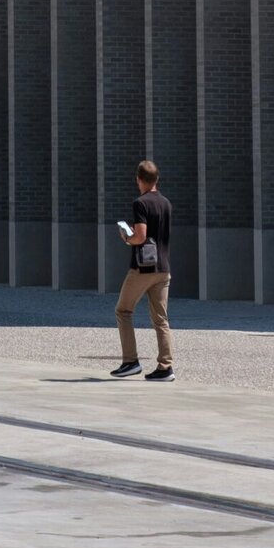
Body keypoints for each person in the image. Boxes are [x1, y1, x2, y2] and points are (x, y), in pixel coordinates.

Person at [111, 159, 174, 381]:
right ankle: (165, 367)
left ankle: (130, 361)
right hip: (163, 268)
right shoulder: (166, 203)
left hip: (143, 268)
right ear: (157, 179)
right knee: (161, 319)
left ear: (139, 180)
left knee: (123, 311)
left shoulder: (140, 203)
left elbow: (141, 235)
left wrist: (126, 237)